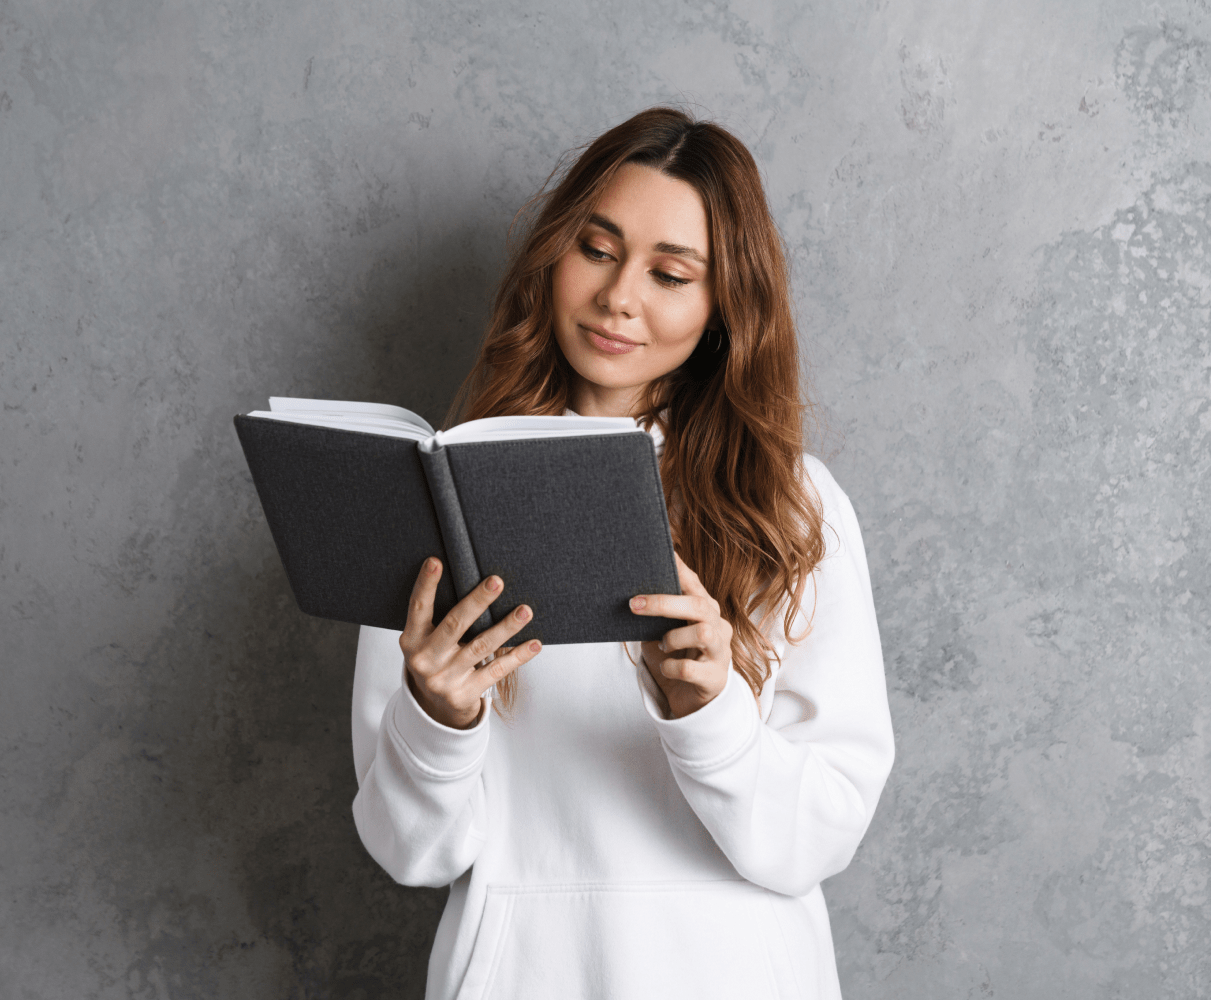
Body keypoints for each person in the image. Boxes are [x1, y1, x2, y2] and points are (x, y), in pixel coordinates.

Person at [350, 107, 894, 1000]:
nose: (619, 297)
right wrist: (436, 720)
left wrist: (709, 710)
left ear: (724, 308)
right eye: (596, 250)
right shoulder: (440, 497)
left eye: (670, 273)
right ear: (553, 257)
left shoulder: (793, 504)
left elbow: (819, 837)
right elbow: (411, 853)